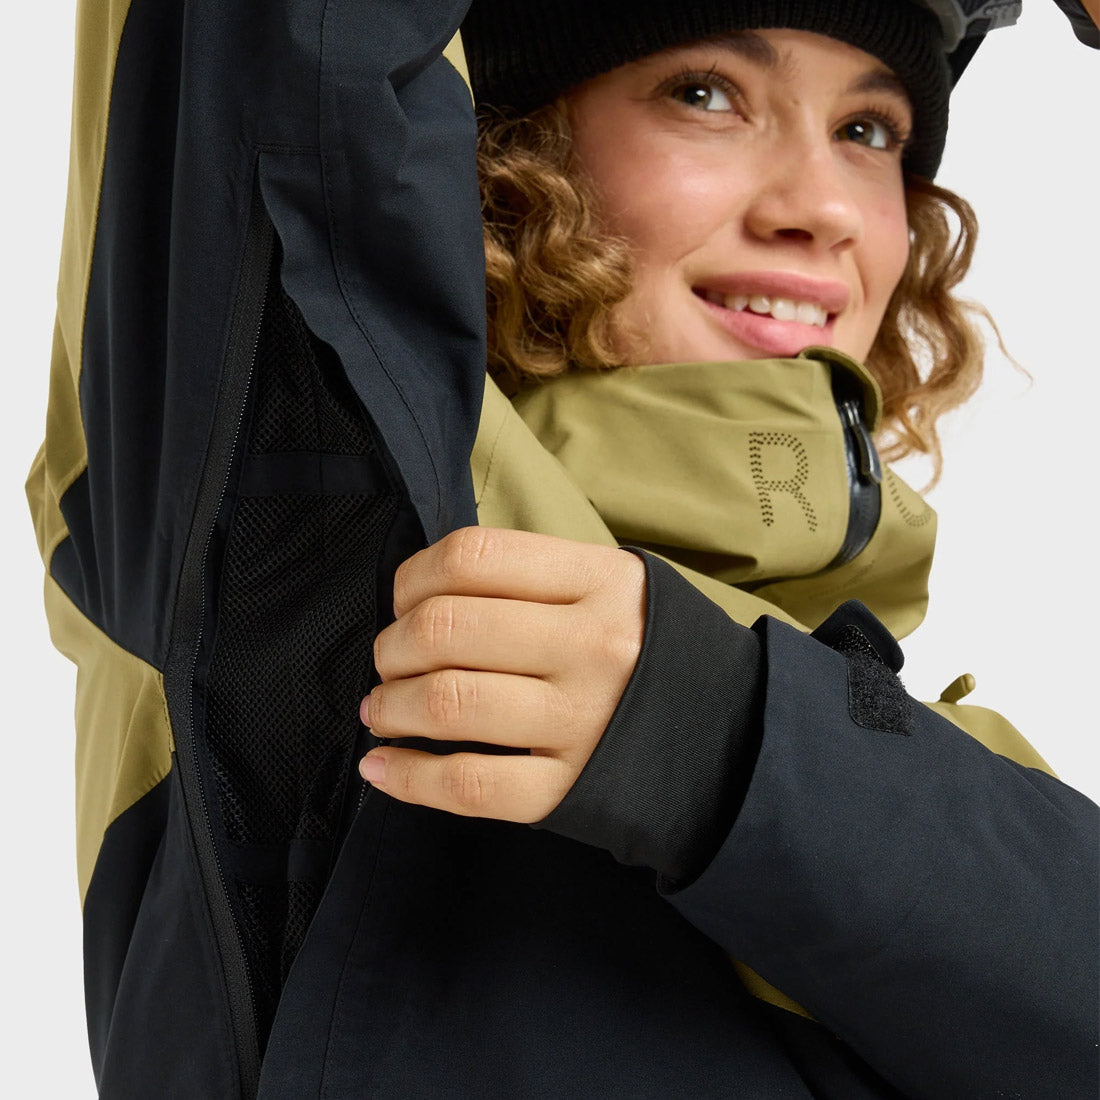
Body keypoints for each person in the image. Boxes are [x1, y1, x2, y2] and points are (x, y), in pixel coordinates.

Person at [27, 1, 1097, 1097]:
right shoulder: (330, 522)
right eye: (704, 95)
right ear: (504, 149)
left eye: (868, 131)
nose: (822, 207)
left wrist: (715, 731)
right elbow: (270, 61)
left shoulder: (883, 722)